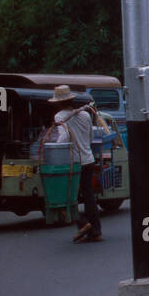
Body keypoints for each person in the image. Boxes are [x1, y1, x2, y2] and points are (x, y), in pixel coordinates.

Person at [49, 85, 104, 243]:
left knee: (69, 196)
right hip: (88, 159)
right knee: (89, 196)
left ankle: (83, 223)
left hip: (74, 162)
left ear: (58, 103)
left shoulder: (60, 116)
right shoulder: (85, 115)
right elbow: (90, 136)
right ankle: (96, 230)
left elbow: (64, 137)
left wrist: (55, 147)